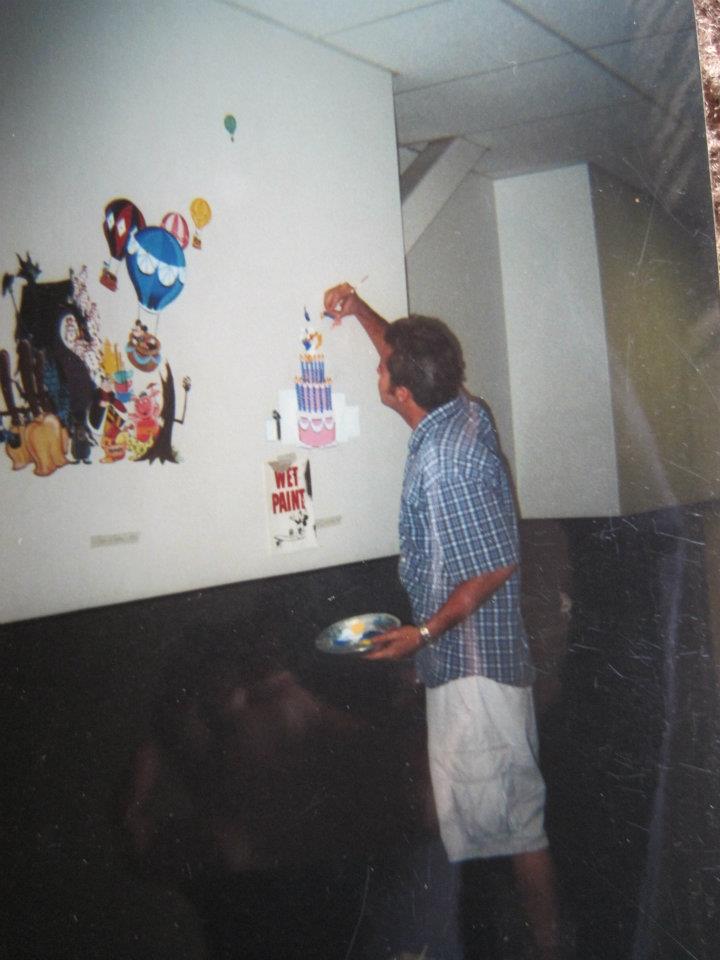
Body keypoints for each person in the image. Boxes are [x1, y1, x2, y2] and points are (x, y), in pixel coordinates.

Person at [323, 282, 561, 960]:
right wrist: (359, 312)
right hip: (470, 660)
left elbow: (497, 563)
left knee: (515, 827)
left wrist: (422, 635)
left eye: (383, 367)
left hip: (473, 669)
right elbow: (403, 355)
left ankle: (547, 948)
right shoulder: (460, 409)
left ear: (402, 392)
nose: (377, 367)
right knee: (489, 815)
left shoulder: (444, 459)